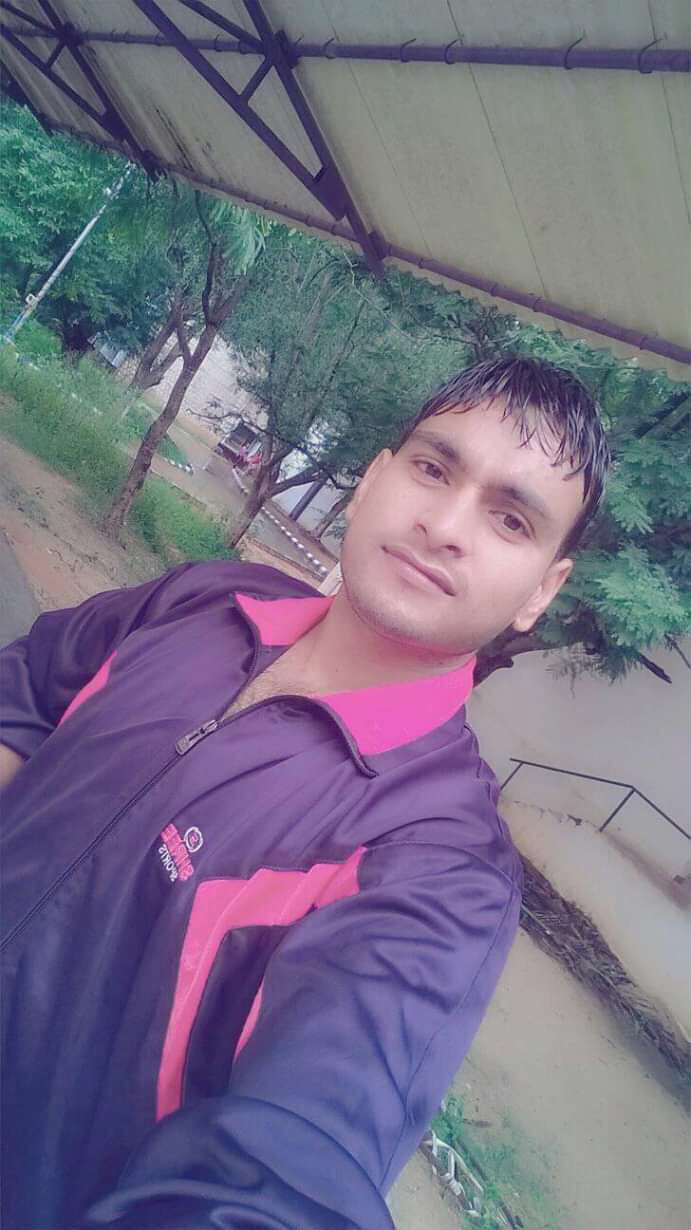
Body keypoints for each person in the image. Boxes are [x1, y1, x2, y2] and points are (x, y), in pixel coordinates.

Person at [0, 356, 611, 1230]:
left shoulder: (441, 870)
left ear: (540, 592)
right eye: (432, 469)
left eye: (510, 519)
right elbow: (26, 692)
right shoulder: (207, 598)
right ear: (372, 479)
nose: (443, 525)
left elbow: (286, 1170)